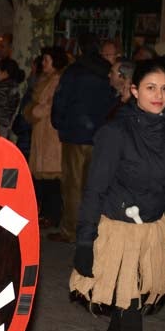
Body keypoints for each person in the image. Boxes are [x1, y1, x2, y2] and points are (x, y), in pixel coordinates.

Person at [69, 58, 165, 331]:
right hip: (117, 235)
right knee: (131, 315)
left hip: (151, 235)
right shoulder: (115, 133)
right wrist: (85, 240)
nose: (159, 95)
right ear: (134, 90)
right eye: (151, 87)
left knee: (125, 310)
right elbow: (95, 189)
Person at [51, 32, 116, 243]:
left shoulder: (74, 71)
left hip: (76, 134)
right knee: (94, 185)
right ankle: (93, 228)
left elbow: (61, 100)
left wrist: (59, 122)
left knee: (73, 185)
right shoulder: (106, 70)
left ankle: (71, 230)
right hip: (100, 135)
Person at [26, 46, 68, 230]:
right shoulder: (45, 79)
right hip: (42, 133)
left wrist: (32, 111)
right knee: (43, 178)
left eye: (46, 60)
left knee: (51, 178)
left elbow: (48, 105)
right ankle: (45, 213)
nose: (43, 63)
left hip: (50, 134)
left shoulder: (57, 80)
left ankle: (52, 215)